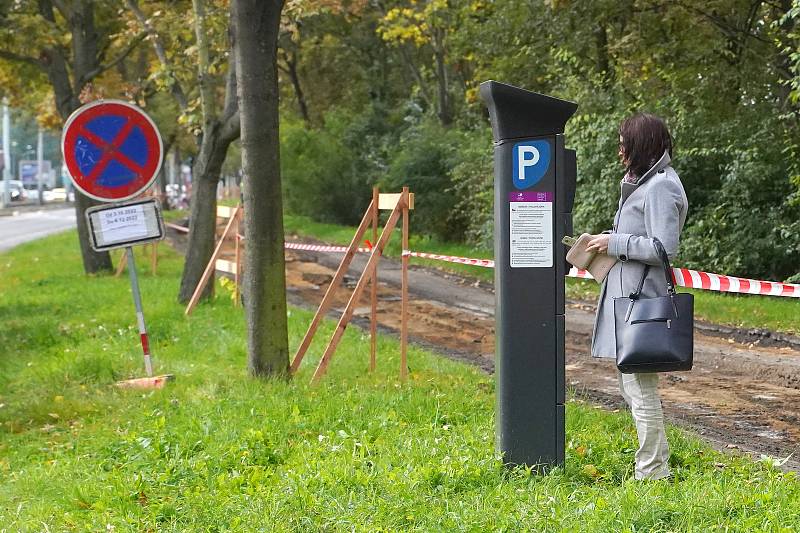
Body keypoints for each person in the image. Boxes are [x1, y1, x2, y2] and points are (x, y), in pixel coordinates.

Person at [584, 113, 689, 481]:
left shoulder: (660, 186)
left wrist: (614, 242)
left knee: (640, 390)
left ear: (640, 145)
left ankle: (653, 473)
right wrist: (605, 243)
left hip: (641, 302)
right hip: (628, 298)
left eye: (624, 143)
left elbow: (664, 248)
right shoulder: (641, 184)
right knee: (633, 388)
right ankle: (657, 462)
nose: (619, 151)